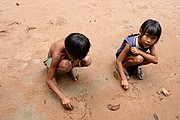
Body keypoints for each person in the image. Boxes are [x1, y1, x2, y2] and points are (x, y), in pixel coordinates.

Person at [44, 33, 91, 110]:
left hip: (67, 58)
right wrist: (63, 98)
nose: (77, 60)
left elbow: (81, 57)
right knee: (65, 65)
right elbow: (48, 80)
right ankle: (55, 72)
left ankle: (69, 68)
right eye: (76, 58)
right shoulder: (57, 54)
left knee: (87, 60)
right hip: (52, 62)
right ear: (67, 51)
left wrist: (75, 60)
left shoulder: (74, 43)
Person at [115, 19, 162, 90]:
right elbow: (119, 60)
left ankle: (134, 66)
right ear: (140, 32)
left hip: (136, 55)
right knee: (139, 58)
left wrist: (140, 52)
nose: (149, 40)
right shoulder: (130, 43)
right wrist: (123, 78)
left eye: (153, 38)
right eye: (147, 36)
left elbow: (155, 60)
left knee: (146, 58)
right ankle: (124, 67)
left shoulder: (150, 44)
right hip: (123, 57)